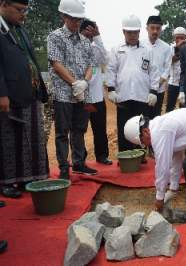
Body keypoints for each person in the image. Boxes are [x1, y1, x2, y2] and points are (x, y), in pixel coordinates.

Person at [0, 0, 49, 198]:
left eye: (25, 10)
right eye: (19, 10)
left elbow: (30, 60)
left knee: (29, 138)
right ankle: (6, 182)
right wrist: (2, 94)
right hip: (8, 96)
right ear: (3, 4)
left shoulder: (18, 30)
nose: (24, 15)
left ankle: (26, 178)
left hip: (29, 93)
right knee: (9, 140)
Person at [48, 0, 97, 179]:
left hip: (82, 94)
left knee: (79, 129)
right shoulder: (55, 37)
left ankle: (79, 162)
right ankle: (63, 167)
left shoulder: (85, 41)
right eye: (74, 19)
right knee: (62, 131)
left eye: (79, 19)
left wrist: (84, 82)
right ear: (64, 16)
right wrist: (74, 83)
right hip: (63, 93)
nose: (77, 23)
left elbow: (91, 65)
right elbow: (56, 63)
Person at [106, 14, 159, 152]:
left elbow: (154, 71)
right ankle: (125, 155)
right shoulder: (117, 49)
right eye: (129, 32)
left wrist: (153, 91)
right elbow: (111, 70)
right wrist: (111, 89)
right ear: (124, 32)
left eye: (135, 32)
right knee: (124, 127)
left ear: (139, 32)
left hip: (142, 97)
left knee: (141, 128)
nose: (132, 35)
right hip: (123, 96)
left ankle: (140, 155)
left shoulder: (147, 50)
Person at [80, 19, 112, 165]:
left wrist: (97, 37)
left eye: (91, 34)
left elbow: (107, 59)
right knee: (79, 130)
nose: (88, 37)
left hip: (97, 97)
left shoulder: (96, 49)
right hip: (81, 98)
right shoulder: (75, 49)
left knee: (100, 129)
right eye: (86, 33)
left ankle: (102, 156)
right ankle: (79, 159)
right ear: (80, 32)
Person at [143, 15, 171, 118]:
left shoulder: (166, 47)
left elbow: (167, 70)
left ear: (161, 30)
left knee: (155, 119)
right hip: (142, 90)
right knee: (142, 120)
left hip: (159, 91)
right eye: (152, 28)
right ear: (147, 28)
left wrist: (155, 87)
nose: (155, 31)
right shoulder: (140, 45)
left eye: (158, 28)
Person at [166, 27, 186, 112]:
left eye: (181, 37)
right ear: (174, 38)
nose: (179, 39)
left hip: (185, 84)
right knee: (170, 108)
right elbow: (170, 61)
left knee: (184, 109)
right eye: (177, 37)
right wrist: (178, 48)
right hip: (173, 83)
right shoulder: (170, 48)